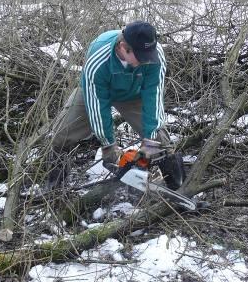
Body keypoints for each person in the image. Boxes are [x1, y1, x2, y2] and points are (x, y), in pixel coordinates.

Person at [47, 20, 173, 188]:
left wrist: (150, 140)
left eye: (147, 56)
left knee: (159, 140)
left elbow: (153, 95)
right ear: (122, 47)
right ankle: (55, 187)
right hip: (96, 91)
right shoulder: (98, 59)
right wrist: (108, 144)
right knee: (60, 135)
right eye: (141, 57)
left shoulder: (154, 55)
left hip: (133, 94)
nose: (146, 61)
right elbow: (98, 106)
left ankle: (176, 186)